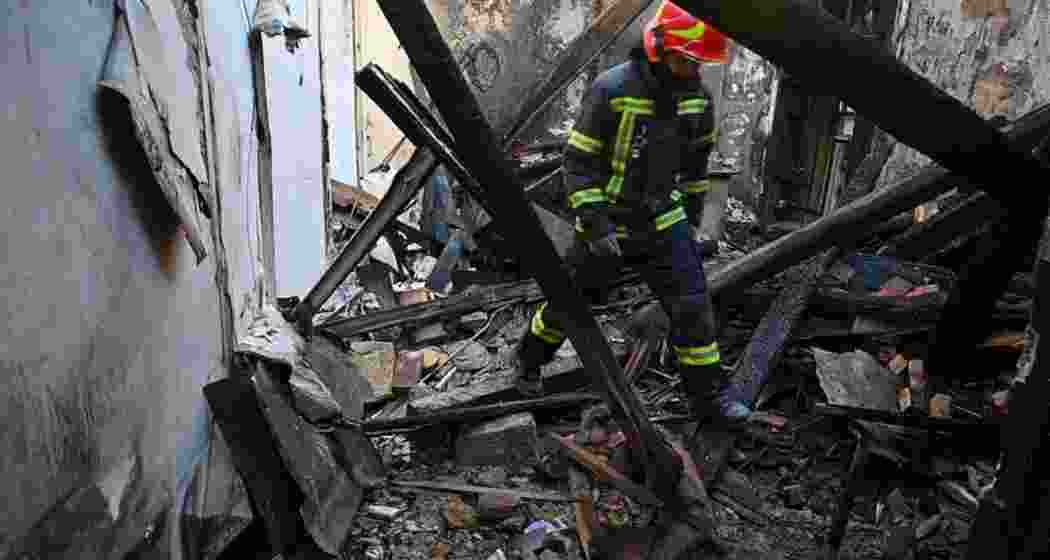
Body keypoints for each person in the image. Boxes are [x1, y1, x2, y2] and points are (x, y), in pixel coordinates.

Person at [513, 1, 751, 425]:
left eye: (696, 61)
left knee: (693, 307)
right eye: (683, 58)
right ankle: (529, 360)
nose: (690, 69)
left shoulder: (697, 101)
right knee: (568, 304)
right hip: (608, 225)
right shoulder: (612, 89)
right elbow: (578, 165)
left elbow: (696, 173)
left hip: (664, 222)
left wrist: (694, 225)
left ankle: (710, 400)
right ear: (658, 48)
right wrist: (596, 223)